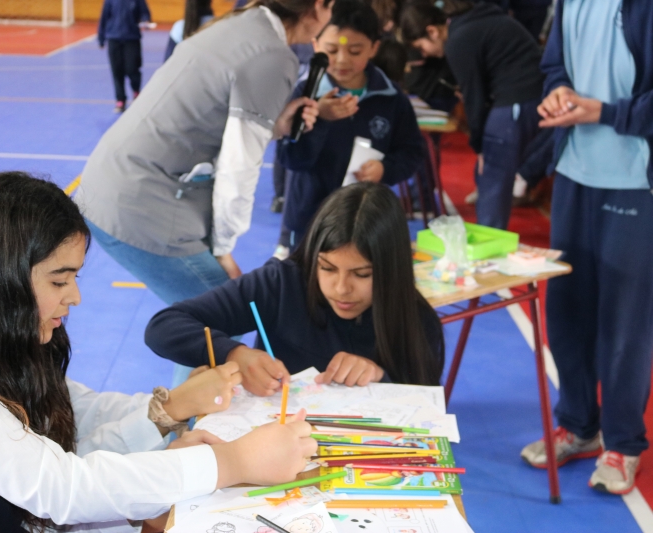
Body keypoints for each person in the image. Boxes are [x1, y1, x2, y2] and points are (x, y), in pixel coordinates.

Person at [0, 173, 317, 532]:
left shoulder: (1, 338)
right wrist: (229, 463)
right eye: (59, 280)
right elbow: (59, 487)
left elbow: (77, 416)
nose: (73, 297)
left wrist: (167, 413)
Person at [78, 0, 331, 386]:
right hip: (141, 201)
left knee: (208, 321)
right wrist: (222, 247)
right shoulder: (272, 54)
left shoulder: (242, 25)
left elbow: (217, 124)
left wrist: (278, 122)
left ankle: (187, 423)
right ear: (319, 7)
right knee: (214, 318)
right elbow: (238, 168)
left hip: (112, 185)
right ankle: (188, 429)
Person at [519, 0, 653, 496]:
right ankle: (578, 425)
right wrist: (558, 92)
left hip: (637, 182)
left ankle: (623, 442)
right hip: (575, 172)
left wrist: (605, 112)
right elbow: (554, 62)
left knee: (625, 323)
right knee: (567, 312)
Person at [145, 183, 444, 397]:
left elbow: (425, 401)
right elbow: (164, 327)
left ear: (391, 270)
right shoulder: (282, 284)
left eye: (362, 274)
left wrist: (380, 377)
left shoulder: (417, 321)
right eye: (326, 268)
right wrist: (233, 353)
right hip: (275, 447)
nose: (341, 288)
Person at [278, 0, 425, 250]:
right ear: (315, 44)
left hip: (366, 221)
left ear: (374, 48)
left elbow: (412, 151)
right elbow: (292, 159)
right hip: (310, 220)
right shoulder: (304, 94)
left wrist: (384, 169)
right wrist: (320, 118)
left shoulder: (391, 98)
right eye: (332, 50)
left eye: (355, 51)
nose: (342, 60)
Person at [400, 0, 544, 230]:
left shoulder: (459, 39)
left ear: (432, 31)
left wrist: (478, 147)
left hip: (519, 99)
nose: (426, 54)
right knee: (490, 173)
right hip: (522, 96)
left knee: (492, 173)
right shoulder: (471, 24)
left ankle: (489, 243)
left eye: (422, 46)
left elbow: (474, 98)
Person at [98, 0, 152, 113]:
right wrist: (101, 38)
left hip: (132, 38)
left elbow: (145, 13)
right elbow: (104, 18)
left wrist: (145, 20)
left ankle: (136, 90)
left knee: (132, 68)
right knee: (117, 70)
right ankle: (120, 99)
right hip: (114, 38)